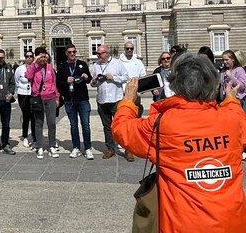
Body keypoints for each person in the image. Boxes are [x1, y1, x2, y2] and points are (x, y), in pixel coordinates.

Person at [113, 53, 246, 232]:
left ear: (176, 84)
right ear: (212, 84)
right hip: (231, 221)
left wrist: (128, 100)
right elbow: (236, 114)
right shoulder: (232, 120)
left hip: (183, 223)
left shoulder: (164, 124)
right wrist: (230, 98)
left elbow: (123, 130)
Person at [91, 45, 128, 159]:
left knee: (121, 126)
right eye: (97, 53)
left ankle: (128, 149)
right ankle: (110, 148)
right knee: (107, 126)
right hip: (102, 100)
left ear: (107, 53)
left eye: (100, 54)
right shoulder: (96, 65)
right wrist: (94, 81)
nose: (97, 56)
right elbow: (93, 83)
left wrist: (114, 78)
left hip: (115, 99)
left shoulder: (117, 63)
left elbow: (126, 77)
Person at [57, 43, 93, 159]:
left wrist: (86, 77)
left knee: (86, 125)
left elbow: (89, 79)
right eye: (70, 52)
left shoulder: (82, 64)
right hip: (69, 100)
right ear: (66, 54)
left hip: (83, 99)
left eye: (74, 52)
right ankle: (76, 147)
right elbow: (58, 83)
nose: (72, 54)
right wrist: (66, 81)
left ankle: (87, 148)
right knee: (73, 125)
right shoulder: (62, 66)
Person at [26, 47, 60, 160]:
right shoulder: (34, 68)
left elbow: (54, 83)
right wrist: (34, 62)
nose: (43, 57)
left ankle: (52, 145)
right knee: (38, 123)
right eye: (40, 55)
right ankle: (39, 146)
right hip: (38, 98)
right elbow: (28, 76)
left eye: (44, 55)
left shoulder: (50, 67)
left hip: (50, 98)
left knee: (51, 123)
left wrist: (57, 97)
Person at [119, 41, 146, 161]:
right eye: (127, 49)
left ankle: (133, 147)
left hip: (135, 96)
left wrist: (140, 90)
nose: (129, 50)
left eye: (131, 48)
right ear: (124, 49)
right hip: (122, 95)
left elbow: (143, 77)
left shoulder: (138, 62)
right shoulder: (119, 62)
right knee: (124, 122)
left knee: (135, 122)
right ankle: (127, 148)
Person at [15, 51, 36, 148]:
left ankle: (35, 136)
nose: (29, 58)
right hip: (23, 94)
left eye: (31, 56)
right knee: (26, 115)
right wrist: (22, 88)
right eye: (27, 56)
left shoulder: (36, 67)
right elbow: (16, 81)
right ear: (25, 58)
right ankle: (25, 136)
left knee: (34, 116)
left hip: (34, 94)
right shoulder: (20, 68)